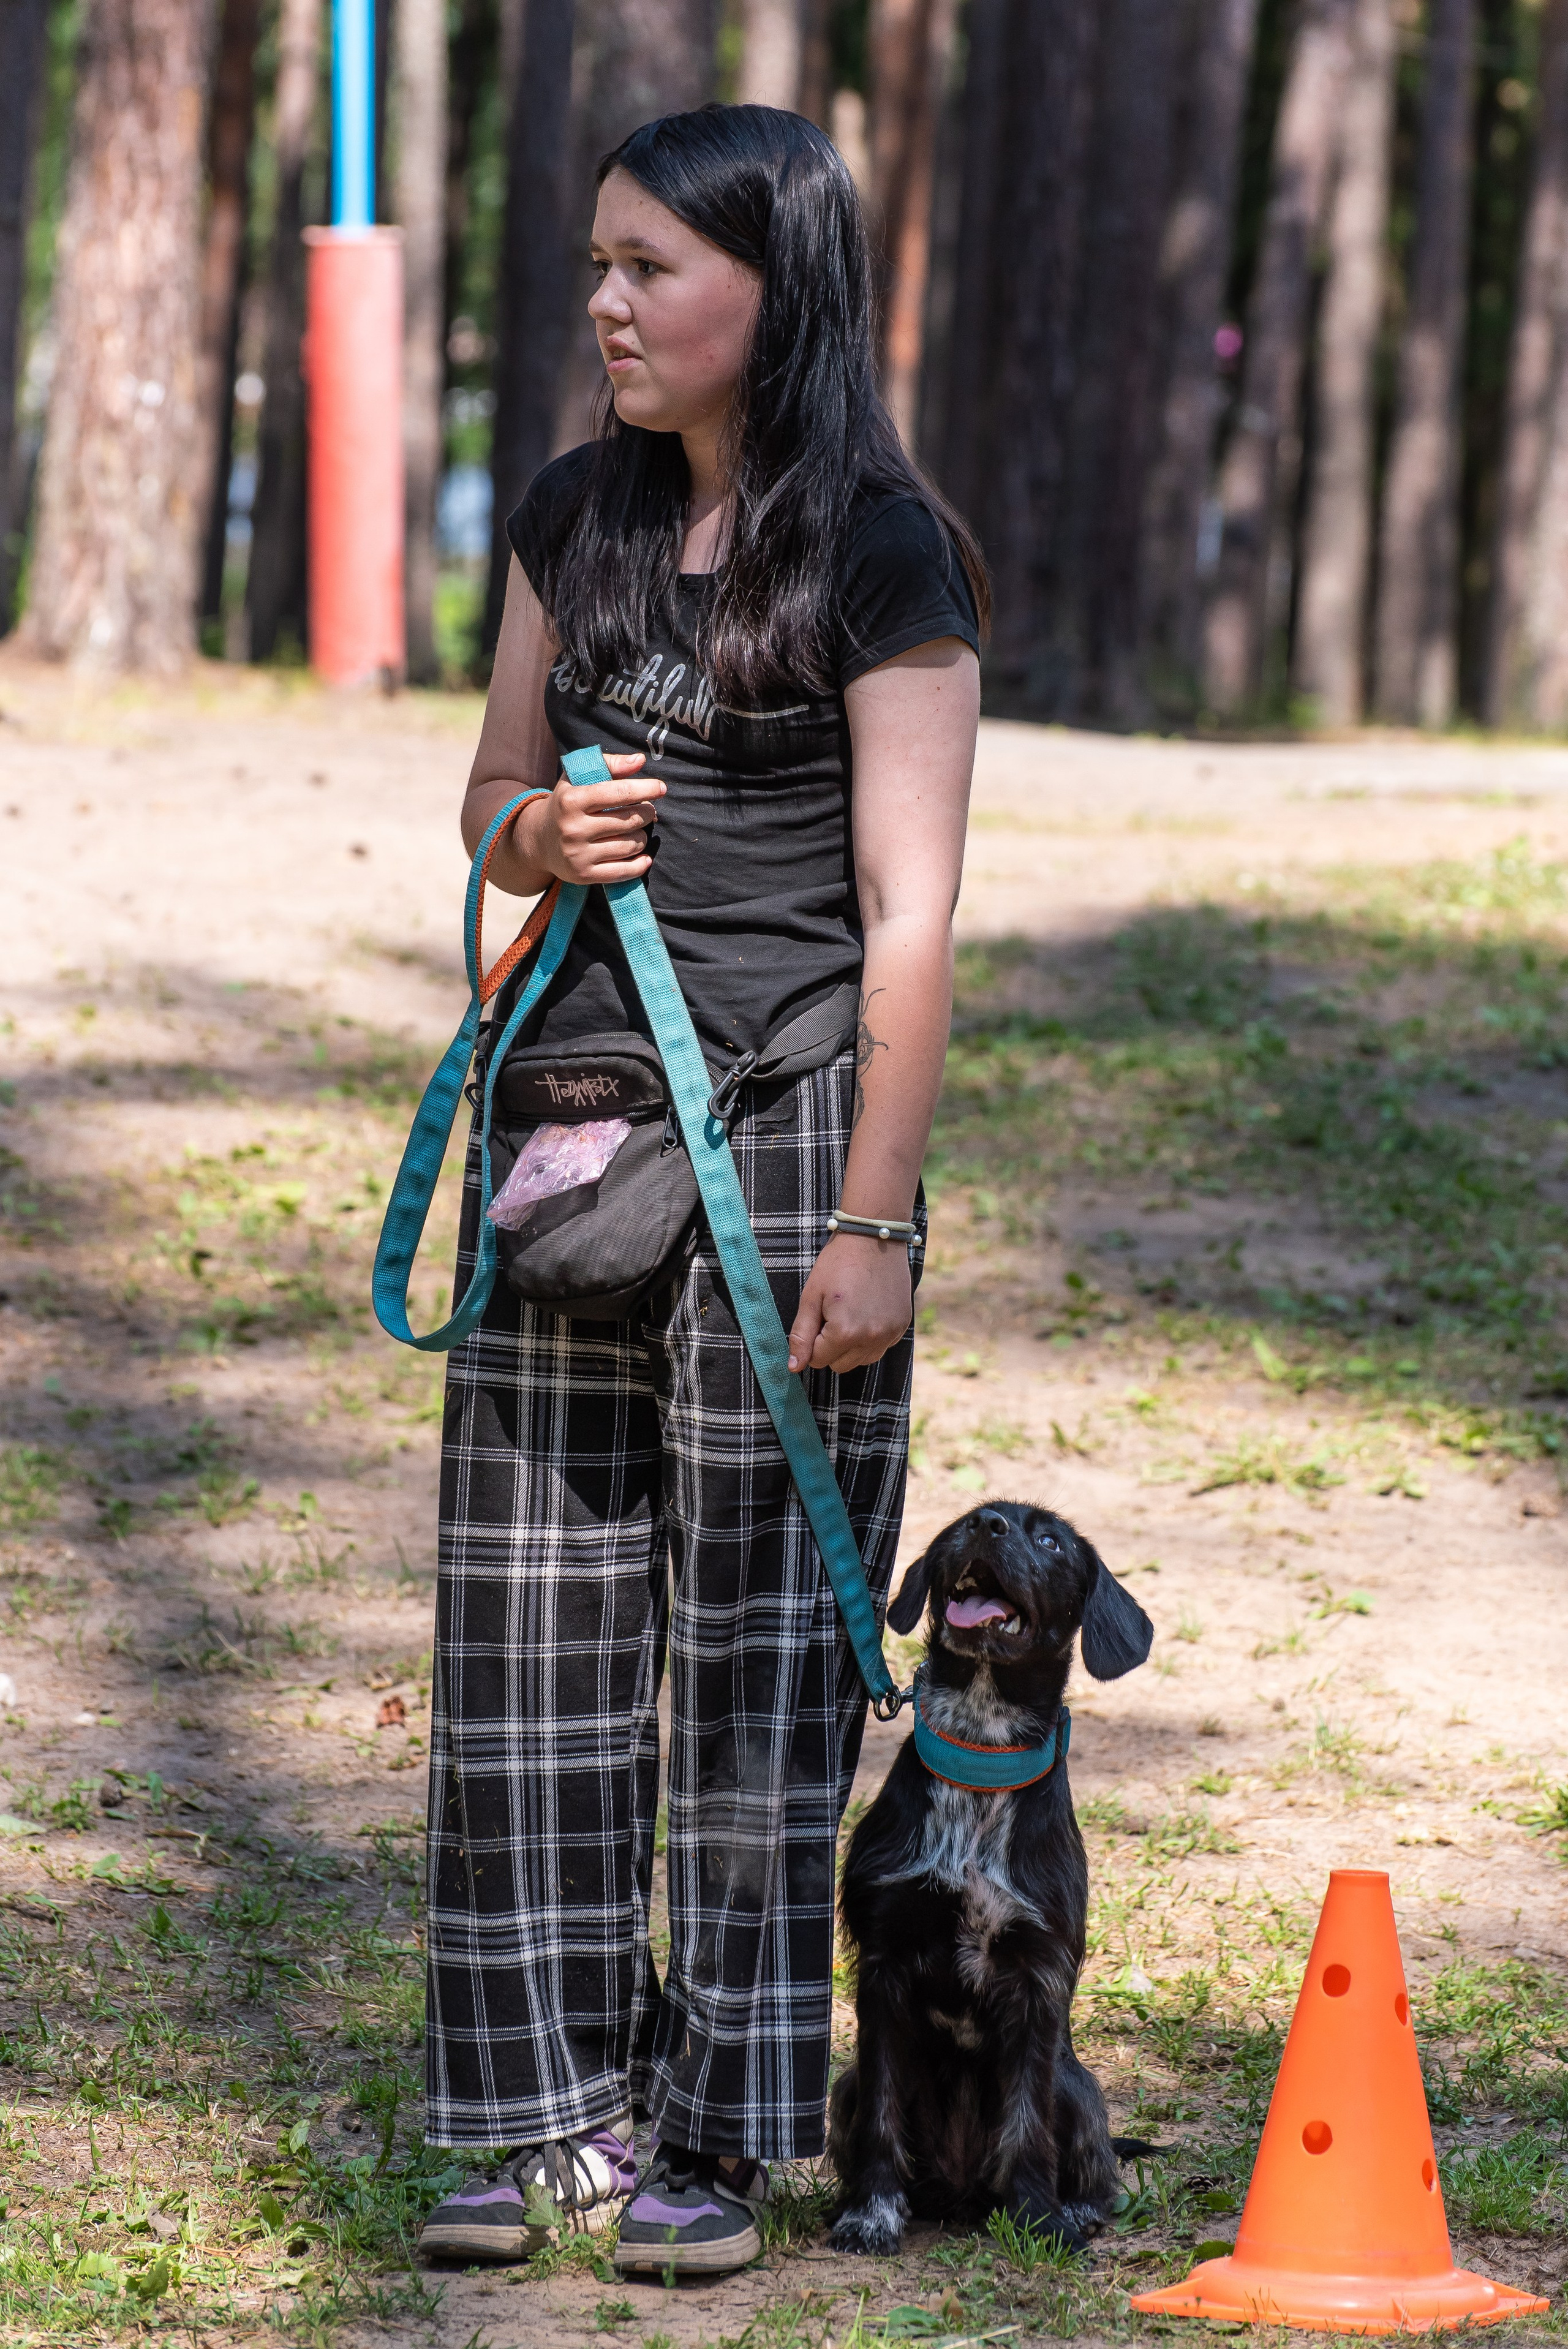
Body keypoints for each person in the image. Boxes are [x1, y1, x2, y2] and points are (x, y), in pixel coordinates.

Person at [417, 101, 986, 2282]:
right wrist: (530, 842)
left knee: (757, 1657)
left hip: (788, 1129)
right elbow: (489, 787)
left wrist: (875, 1214)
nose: (607, 302)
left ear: (780, 283)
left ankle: (716, 2135)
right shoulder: (573, 514)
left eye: (652, 265)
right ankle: (537, 2111)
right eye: (595, 264)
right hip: (571, 1106)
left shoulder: (883, 548)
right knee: (532, 1634)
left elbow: (912, 917)